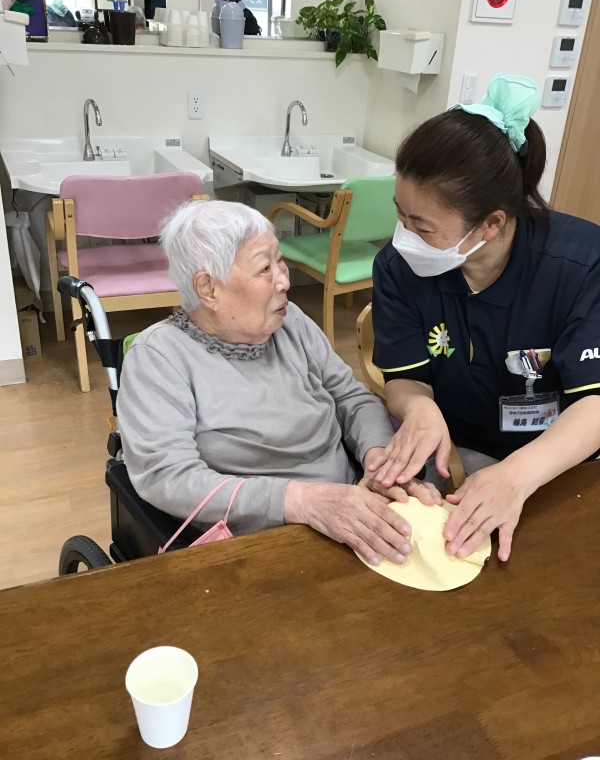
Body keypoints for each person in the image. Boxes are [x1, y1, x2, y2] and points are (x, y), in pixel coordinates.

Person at [118, 200, 440, 567]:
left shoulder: (291, 322)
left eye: (280, 260)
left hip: (351, 505)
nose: (284, 280)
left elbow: (351, 397)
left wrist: (379, 459)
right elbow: (169, 478)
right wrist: (302, 501)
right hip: (256, 541)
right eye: (264, 268)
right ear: (207, 288)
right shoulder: (158, 357)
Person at [369, 74, 600, 563]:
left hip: (558, 461)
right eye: (400, 215)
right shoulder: (399, 267)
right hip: (458, 450)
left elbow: (595, 405)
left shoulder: (581, 266)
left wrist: (516, 477)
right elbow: (405, 378)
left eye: (422, 226)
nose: (404, 236)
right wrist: (419, 409)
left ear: (491, 224)